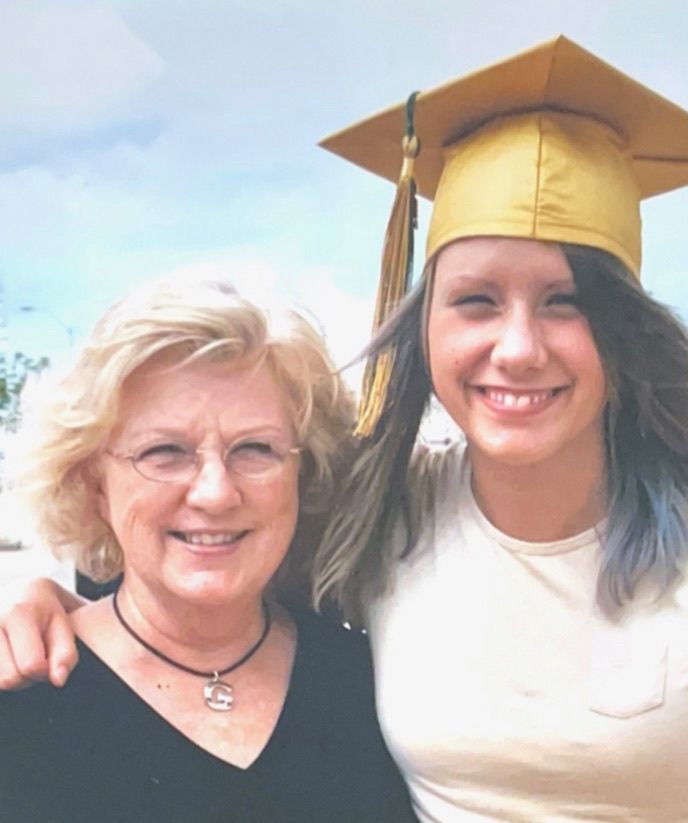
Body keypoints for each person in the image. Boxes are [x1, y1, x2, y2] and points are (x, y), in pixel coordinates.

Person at [4, 35, 688, 822]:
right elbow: (192, 559)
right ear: (422, 325)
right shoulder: (377, 516)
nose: (518, 348)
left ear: (625, 328)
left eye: (566, 302)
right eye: (476, 300)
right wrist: (50, 602)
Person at [0, 277, 417, 822]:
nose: (215, 493)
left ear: (304, 474)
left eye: (255, 449)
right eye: (165, 452)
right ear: (93, 483)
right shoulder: (23, 699)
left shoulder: (373, 686)